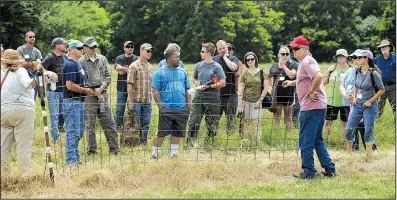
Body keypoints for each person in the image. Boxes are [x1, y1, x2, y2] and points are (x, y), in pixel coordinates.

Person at [282, 36, 336, 179]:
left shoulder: (307, 61)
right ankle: (330, 168)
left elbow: (318, 77)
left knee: (306, 141)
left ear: (305, 49)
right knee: (317, 140)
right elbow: (305, 79)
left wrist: (312, 92)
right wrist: (291, 83)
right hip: (318, 106)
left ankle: (309, 172)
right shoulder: (305, 62)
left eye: (296, 49)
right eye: (292, 48)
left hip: (311, 108)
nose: (293, 51)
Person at [79, 37, 120, 155]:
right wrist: (92, 91)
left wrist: (101, 88)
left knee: (109, 122)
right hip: (89, 96)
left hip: (102, 94)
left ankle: (114, 149)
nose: (93, 49)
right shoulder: (81, 61)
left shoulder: (102, 58)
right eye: (91, 47)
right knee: (90, 124)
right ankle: (92, 150)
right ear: (85, 48)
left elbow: (108, 75)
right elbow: (82, 79)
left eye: (95, 47)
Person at [150, 49, 191, 160]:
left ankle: (173, 155)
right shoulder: (159, 72)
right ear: (168, 58)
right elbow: (155, 91)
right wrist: (161, 107)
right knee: (161, 133)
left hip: (181, 108)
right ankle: (154, 154)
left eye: (179, 57)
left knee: (177, 133)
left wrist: (188, 105)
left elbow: (188, 89)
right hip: (166, 108)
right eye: (176, 57)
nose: (178, 59)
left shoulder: (183, 72)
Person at [1, 49, 37, 172]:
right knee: (24, 146)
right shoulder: (21, 71)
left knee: (4, 147)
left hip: (3, 111)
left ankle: (4, 176)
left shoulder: (1, 73)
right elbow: (29, 84)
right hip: (23, 110)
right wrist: (41, 77)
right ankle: (23, 176)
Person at [345, 50, 385, 154]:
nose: (357, 59)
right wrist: (354, 96)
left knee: (368, 130)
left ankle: (368, 155)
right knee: (349, 128)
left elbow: (382, 89)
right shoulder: (357, 71)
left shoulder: (373, 73)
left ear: (366, 59)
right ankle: (349, 153)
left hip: (370, 106)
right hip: (357, 105)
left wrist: (370, 101)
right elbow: (356, 85)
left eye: (360, 57)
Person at [63, 40, 95, 165]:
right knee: (73, 131)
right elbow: (69, 85)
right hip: (71, 102)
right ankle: (71, 160)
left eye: (82, 48)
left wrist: (90, 89)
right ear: (71, 50)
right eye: (79, 48)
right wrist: (84, 90)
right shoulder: (70, 65)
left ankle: (75, 158)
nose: (82, 49)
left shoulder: (78, 64)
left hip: (79, 101)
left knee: (79, 131)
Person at [187, 42, 226, 145]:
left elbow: (223, 83)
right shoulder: (198, 65)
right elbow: (194, 78)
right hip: (199, 98)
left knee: (212, 124)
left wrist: (209, 86)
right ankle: (190, 145)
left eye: (202, 51)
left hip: (213, 99)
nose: (200, 53)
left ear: (208, 53)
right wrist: (197, 83)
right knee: (193, 122)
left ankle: (208, 145)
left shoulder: (217, 67)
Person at [41, 37, 68, 142]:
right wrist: (46, 77)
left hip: (64, 90)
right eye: (63, 44)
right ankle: (55, 139)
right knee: (54, 116)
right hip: (53, 92)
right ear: (57, 45)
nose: (65, 46)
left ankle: (63, 133)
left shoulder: (65, 57)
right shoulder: (49, 57)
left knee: (64, 114)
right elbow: (40, 68)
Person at [127, 43, 154, 145]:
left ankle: (144, 142)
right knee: (134, 123)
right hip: (136, 100)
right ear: (141, 51)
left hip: (147, 101)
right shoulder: (134, 66)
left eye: (151, 51)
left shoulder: (150, 67)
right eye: (148, 51)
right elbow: (129, 84)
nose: (150, 53)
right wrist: (130, 102)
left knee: (146, 124)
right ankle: (133, 142)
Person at [323, 49, 351, 143]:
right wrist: (327, 72)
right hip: (332, 101)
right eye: (338, 56)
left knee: (344, 122)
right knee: (327, 122)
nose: (340, 58)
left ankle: (343, 142)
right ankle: (325, 142)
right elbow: (324, 82)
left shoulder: (351, 69)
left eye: (342, 56)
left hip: (346, 101)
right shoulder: (332, 68)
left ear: (346, 57)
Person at [237, 52, 267, 138]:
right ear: (246, 62)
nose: (250, 61)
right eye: (248, 60)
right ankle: (247, 141)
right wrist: (240, 105)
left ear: (255, 60)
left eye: (252, 59)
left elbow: (265, 88)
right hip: (246, 101)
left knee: (257, 122)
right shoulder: (244, 74)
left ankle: (258, 142)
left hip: (257, 101)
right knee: (246, 123)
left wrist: (260, 100)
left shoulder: (262, 72)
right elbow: (240, 90)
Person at [268, 46, 298, 130]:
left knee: (288, 117)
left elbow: (292, 75)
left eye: (287, 54)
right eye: (283, 54)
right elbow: (268, 77)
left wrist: (284, 66)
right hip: (277, 95)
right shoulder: (274, 66)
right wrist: (273, 86)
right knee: (276, 115)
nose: (285, 55)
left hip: (289, 94)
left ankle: (288, 134)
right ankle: (275, 133)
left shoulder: (293, 64)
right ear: (279, 55)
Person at [213, 40, 239, 135]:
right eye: (220, 49)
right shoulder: (214, 59)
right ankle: (212, 138)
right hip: (217, 94)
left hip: (231, 94)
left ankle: (230, 139)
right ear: (217, 50)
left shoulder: (233, 58)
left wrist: (225, 58)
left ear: (227, 48)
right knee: (215, 119)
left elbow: (234, 68)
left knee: (231, 119)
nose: (223, 50)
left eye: (224, 48)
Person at [114, 41, 139, 131]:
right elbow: (118, 70)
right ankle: (118, 127)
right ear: (124, 48)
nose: (130, 48)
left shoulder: (137, 58)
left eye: (131, 46)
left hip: (133, 89)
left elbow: (136, 71)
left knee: (132, 108)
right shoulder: (119, 58)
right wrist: (130, 70)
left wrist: (123, 69)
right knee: (120, 109)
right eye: (128, 46)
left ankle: (131, 126)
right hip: (121, 88)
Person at [17, 31, 42, 100]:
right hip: (23, 76)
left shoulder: (37, 51)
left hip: (34, 76)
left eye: (34, 37)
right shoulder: (20, 49)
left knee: (32, 98)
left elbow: (38, 64)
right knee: (22, 97)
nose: (32, 38)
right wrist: (33, 63)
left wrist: (27, 63)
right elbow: (20, 64)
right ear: (26, 38)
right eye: (30, 37)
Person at [374, 40, 396, 118]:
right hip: (380, 87)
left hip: (393, 87)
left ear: (389, 47)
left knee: (395, 107)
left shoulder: (395, 59)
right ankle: (376, 123)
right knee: (378, 108)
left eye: (385, 47)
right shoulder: (376, 60)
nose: (383, 48)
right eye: (382, 47)